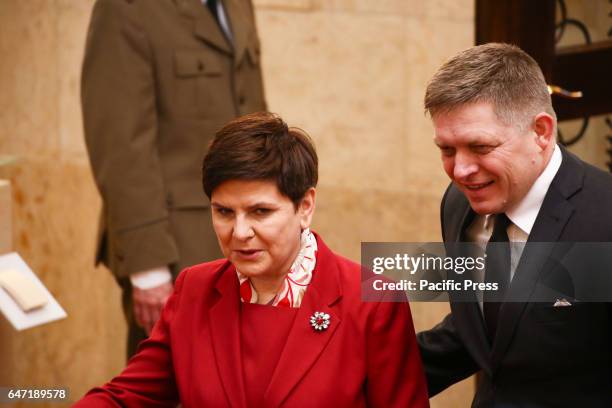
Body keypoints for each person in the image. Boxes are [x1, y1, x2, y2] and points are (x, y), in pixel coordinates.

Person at [75, 112, 429, 407]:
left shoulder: (373, 299)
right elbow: (125, 397)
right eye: (224, 212)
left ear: (305, 206)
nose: (239, 232)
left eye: (260, 211)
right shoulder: (194, 289)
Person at [417, 43, 612, 406]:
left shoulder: (604, 222)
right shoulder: (458, 204)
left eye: (480, 147)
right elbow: (487, 328)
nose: (460, 171)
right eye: (446, 150)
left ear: (541, 131)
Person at [81, 0, 266, 357]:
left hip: (246, 240)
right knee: (170, 387)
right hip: (176, 249)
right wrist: (148, 269)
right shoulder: (127, 9)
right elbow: (121, 145)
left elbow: (253, 117)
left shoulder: (237, 4)